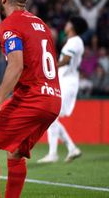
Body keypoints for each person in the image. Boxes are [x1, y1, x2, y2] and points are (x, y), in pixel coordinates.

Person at [0, 0, 61, 198]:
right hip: (53, 99)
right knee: (15, 153)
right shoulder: (41, 24)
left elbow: (16, 64)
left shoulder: (10, 24)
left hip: (32, 98)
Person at [38, 17, 87, 163]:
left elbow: (66, 60)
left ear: (73, 27)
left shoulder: (75, 41)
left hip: (68, 82)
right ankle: (69, 149)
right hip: (65, 81)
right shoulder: (74, 41)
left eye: (68, 23)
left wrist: (49, 68)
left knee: (51, 116)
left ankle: (57, 152)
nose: (66, 24)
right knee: (51, 116)